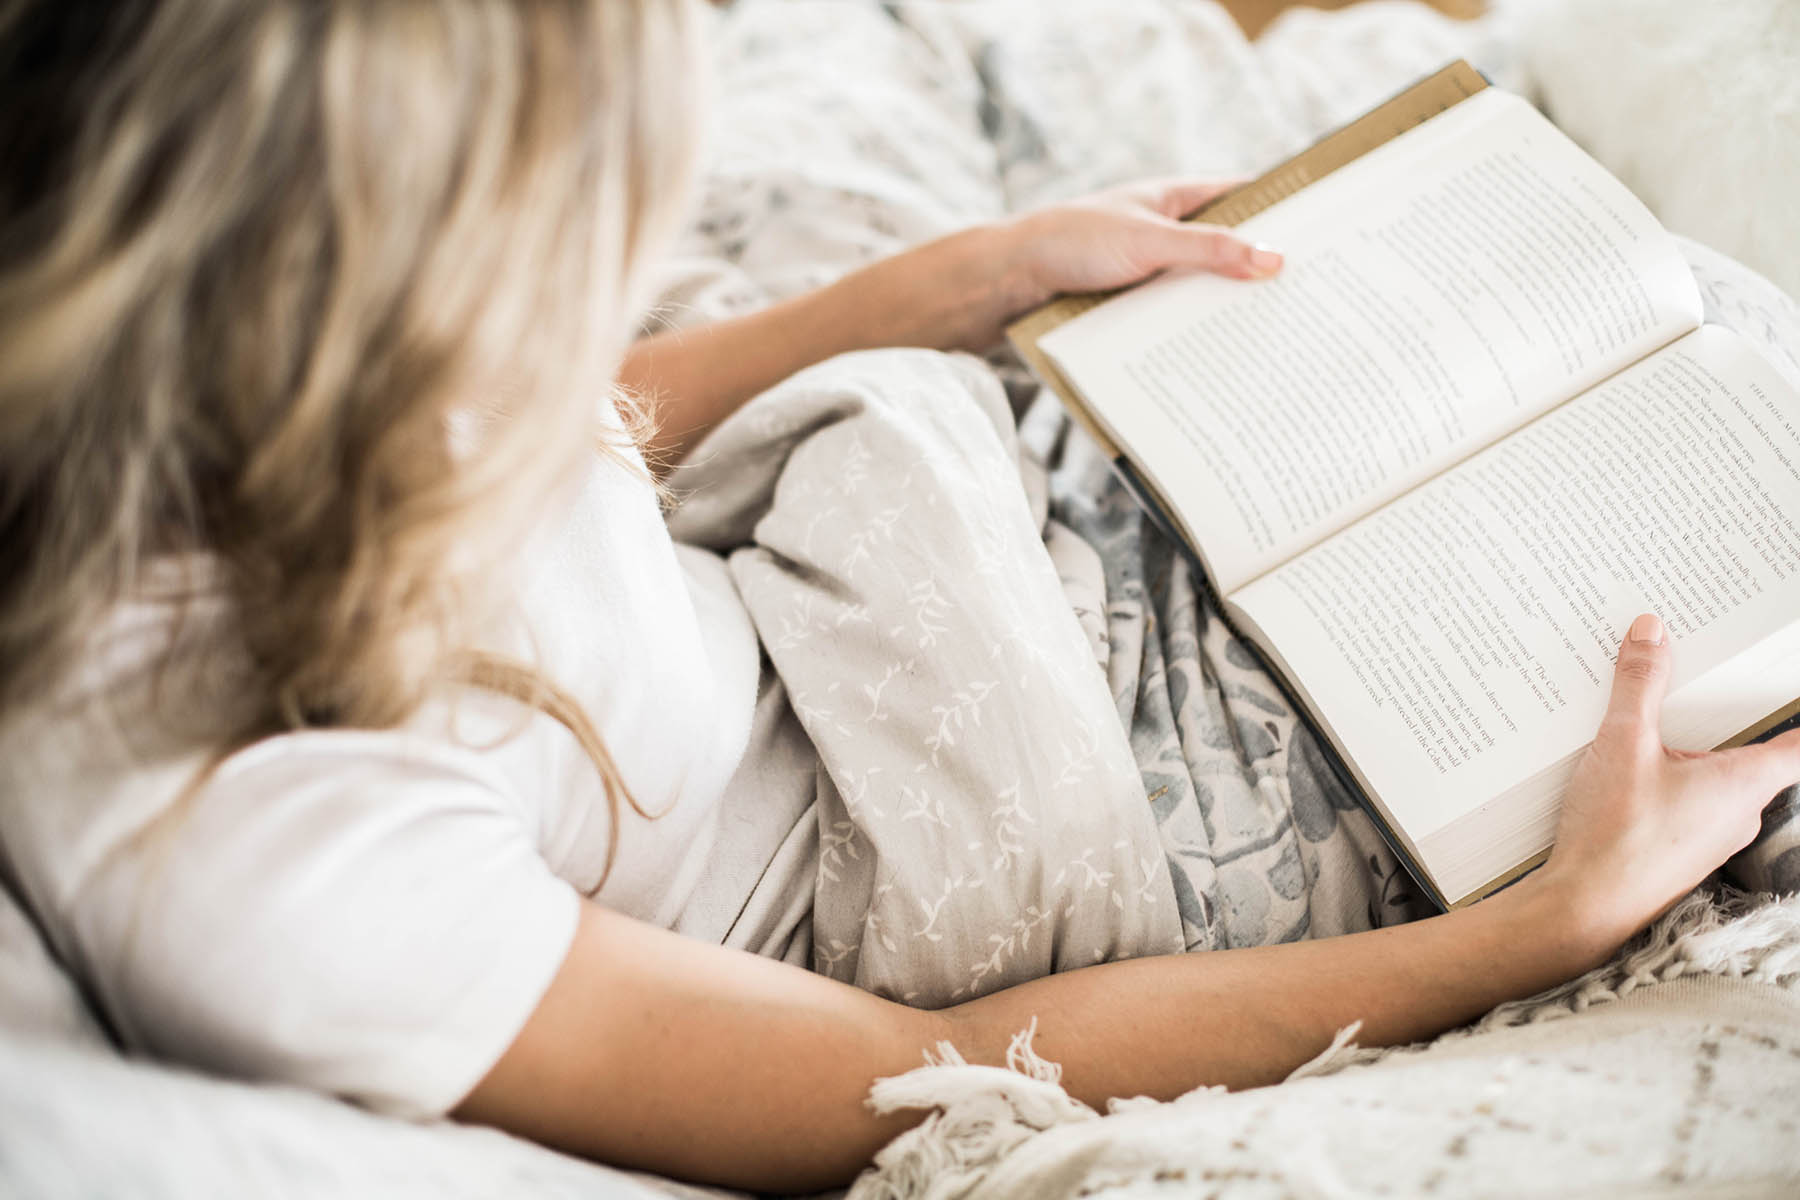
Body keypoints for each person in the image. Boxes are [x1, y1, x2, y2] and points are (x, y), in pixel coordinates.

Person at [0, 0, 1793, 1193]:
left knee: (1651, 327)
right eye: (576, 246)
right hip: (991, 836)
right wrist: (1536, 933)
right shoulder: (265, 865)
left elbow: (584, 416)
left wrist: (974, 276)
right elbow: (915, 1063)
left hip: (890, 582)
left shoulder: (218, 382)